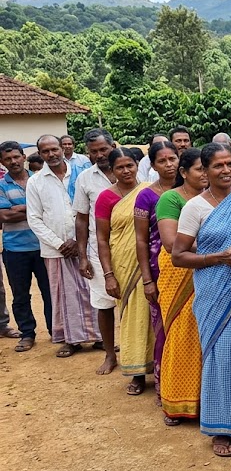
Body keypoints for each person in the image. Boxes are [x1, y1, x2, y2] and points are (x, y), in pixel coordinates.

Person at [172, 143, 231, 457]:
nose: (225, 170)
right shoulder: (195, 207)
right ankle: (221, 429)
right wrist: (218, 258)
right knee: (221, 357)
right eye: (217, 166)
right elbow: (179, 256)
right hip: (215, 292)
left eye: (230, 164)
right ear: (205, 171)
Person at [26, 135, 100, 356]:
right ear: (40, 154)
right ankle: (71, 340)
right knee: (63, 295)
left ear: (63, 148)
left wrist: (79, 241)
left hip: (86, 244)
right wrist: (60, 244)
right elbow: (34, 219)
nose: (51, 154)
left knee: (92, 290)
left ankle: (99, 337)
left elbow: (91, 210)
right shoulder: (36, 182)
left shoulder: (82, 174)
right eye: (46, 151)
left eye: (54, 149)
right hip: (56, 250)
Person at [96, 148, 154, 395]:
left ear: (137, 165)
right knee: (131, 317)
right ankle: (136, 373)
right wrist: (108, 274)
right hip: (123, 264)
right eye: (120, 167)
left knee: (153, 317)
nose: (126, 171)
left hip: (150, 263)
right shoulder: (106, 198)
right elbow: (102, 238)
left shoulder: (150, 191)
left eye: (130, 165)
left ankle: (157, 369)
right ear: (112, 170)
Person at [155, 148, 206, 426]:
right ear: (184, 172)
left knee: (206, 334)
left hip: (215, 269)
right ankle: (176, 403)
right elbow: (171, 242)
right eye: (199, 169)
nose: (205, 174)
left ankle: (206, 401)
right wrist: (218, 249)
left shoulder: (221, 198)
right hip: (180, 271)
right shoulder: (171, 199)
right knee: (180, 333)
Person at [133, 141, 178, 402]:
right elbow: (141, 239)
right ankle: (166, 389)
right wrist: (147, 280)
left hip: (193, 267)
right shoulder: (147, 196)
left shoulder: (196, 191)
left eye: (173, 158)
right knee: (164, 330)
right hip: (159, 269)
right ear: (153, 165)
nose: (169, 164)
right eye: (163, 161)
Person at [73, 128, 120, 374]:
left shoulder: (131, 169)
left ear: (113, 146)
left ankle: (142, 357)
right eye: (94, 151)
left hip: (134, 249)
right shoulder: (84, 179)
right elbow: (81, 219)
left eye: (103, 149)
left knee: (140, 305)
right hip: (98, 251)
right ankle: (110, 354)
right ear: (88, 153)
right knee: (104, 304)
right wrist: (82, 257)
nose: (100, 155)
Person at [0, 141, 53, 351]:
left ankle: (55, 331)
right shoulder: (1, 185)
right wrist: (34, 208)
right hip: (15, 249)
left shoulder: (39, 180)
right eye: (7, 159)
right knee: (20, 295)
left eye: (16, 157)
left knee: (50, 292)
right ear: (2, 162)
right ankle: (27, 333)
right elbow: (4, 216)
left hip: (44, 246)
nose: (13, 162)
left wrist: (20, 208)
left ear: (24, 157)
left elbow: (49, 210)